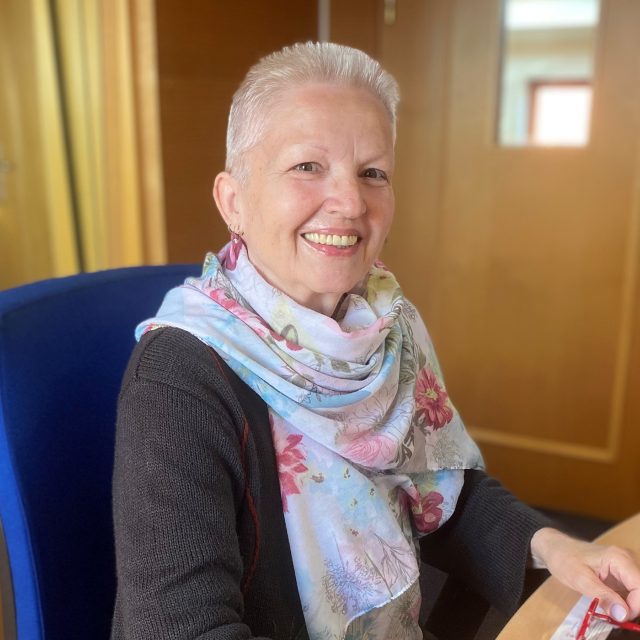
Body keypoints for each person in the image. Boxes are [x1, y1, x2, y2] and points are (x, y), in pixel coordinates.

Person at [110, 42, 640, 640]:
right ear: (233, 200)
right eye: (307, 166)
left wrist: (557, 548)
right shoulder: (178, 381)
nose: (350, 202)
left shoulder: (387, 323)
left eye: (373, 173)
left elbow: (442, 493)